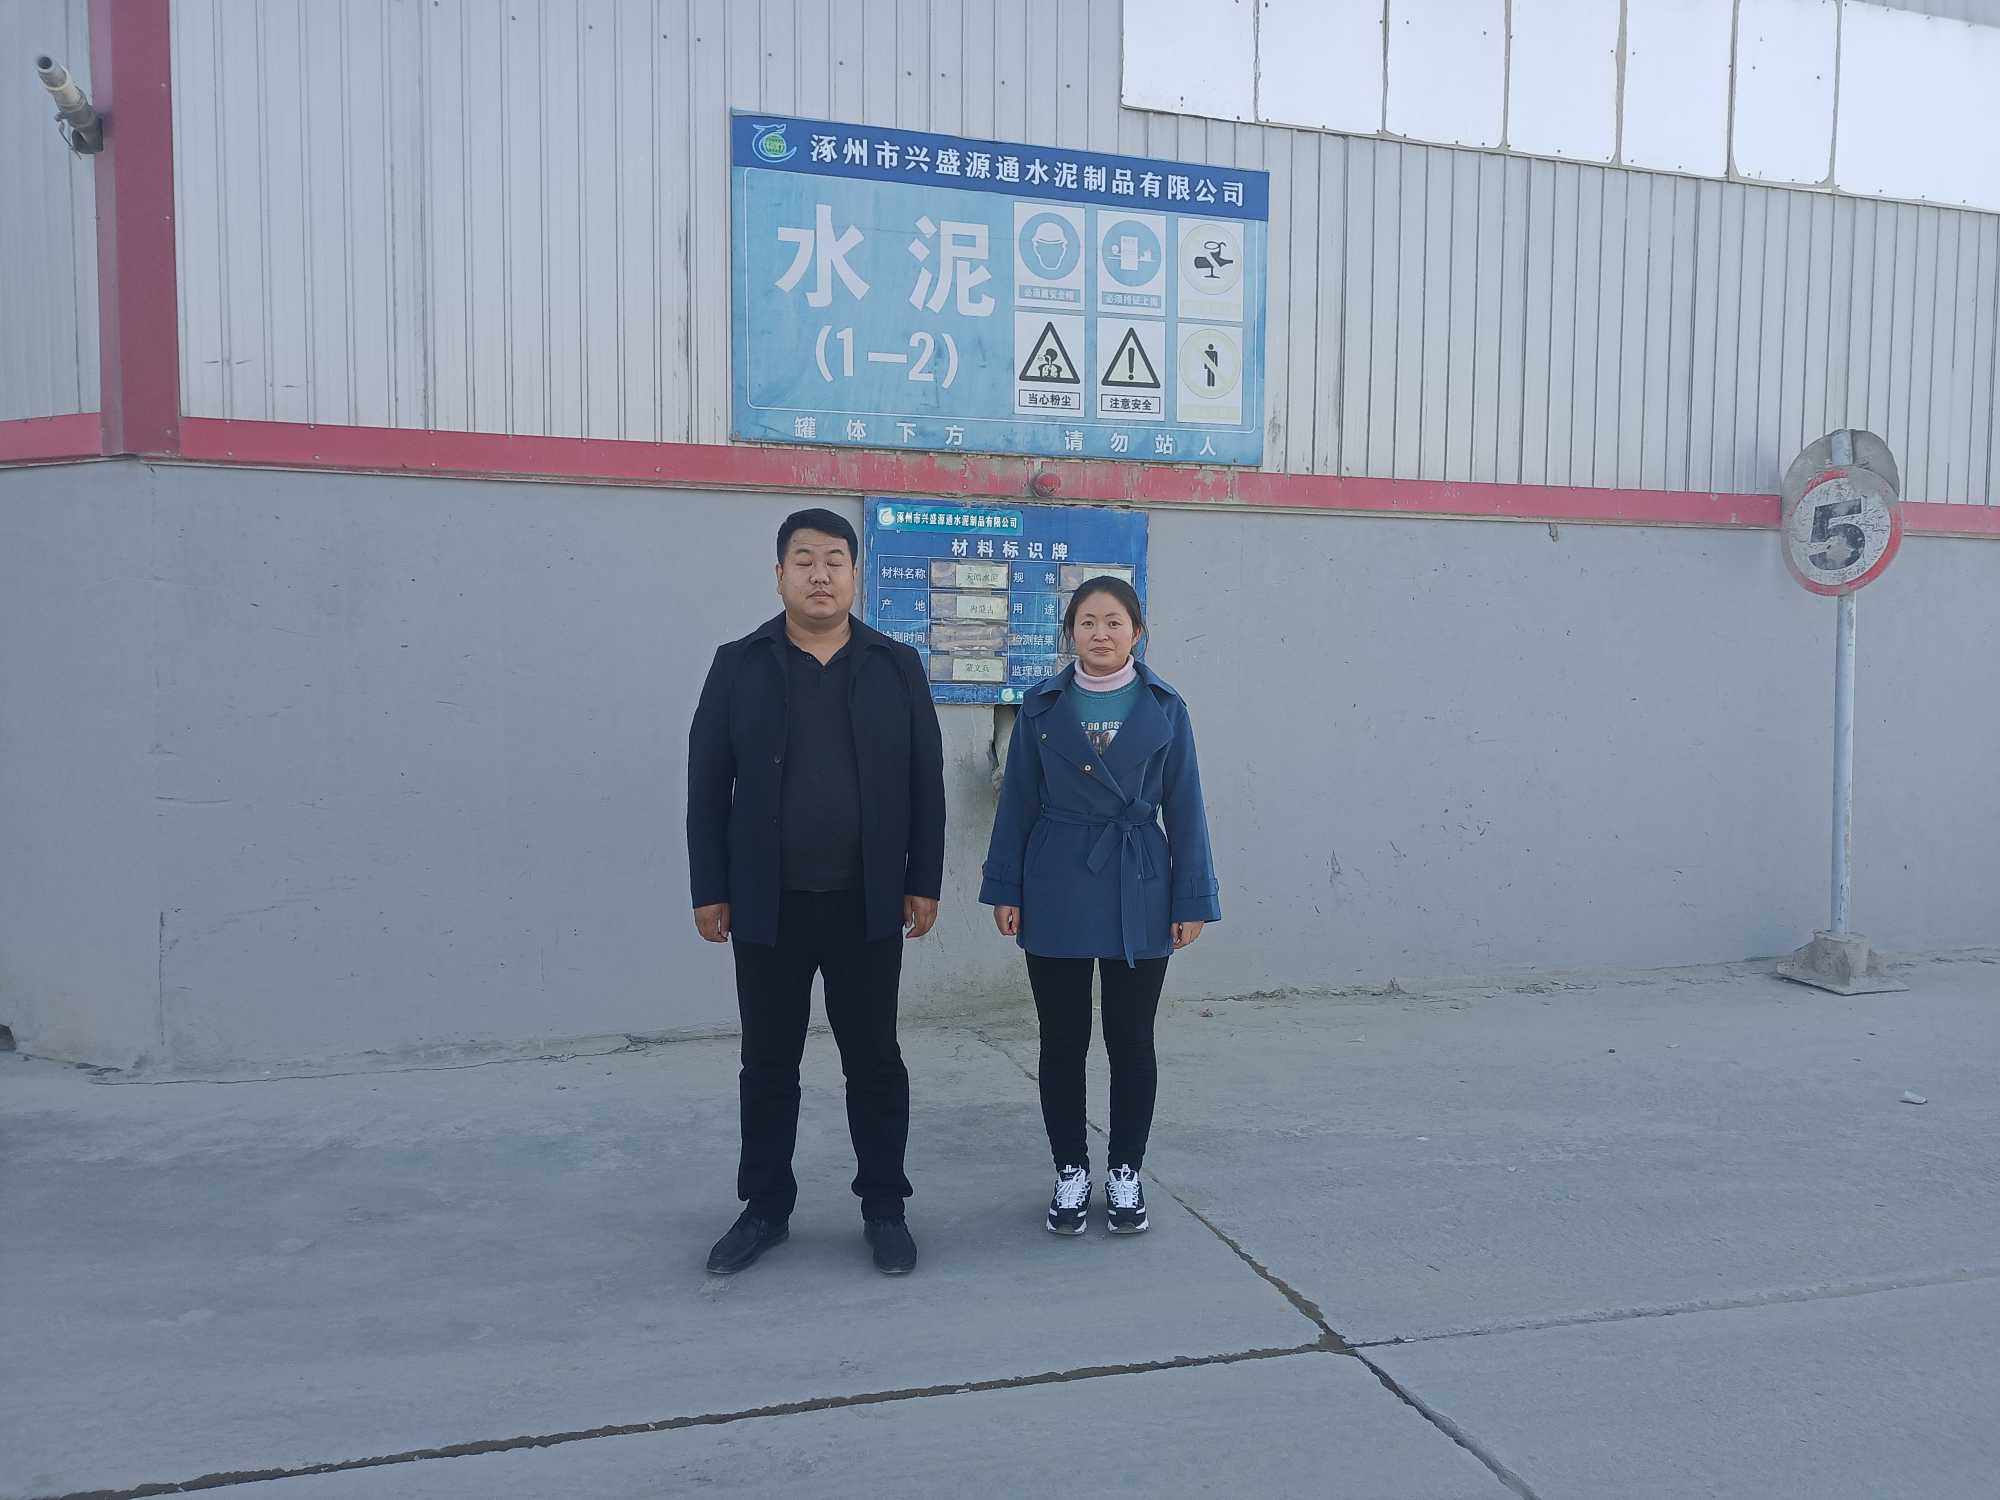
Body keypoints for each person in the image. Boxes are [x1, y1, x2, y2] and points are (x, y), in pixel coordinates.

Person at [687, 508, 945, 1277]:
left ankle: (885, 1208)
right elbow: (708, 787)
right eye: (804, 560)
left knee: (875, 1062)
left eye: (835, 560)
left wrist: (923, 881)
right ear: (779, 575)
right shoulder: (739, 665)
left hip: (868, 902)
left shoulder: (895, 666)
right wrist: (710, 888)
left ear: (856, 575)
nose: (820, 574)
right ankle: (765, 1208)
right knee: (768, 1064)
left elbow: (925, 786)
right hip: (767, 905)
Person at [979, 578, 1219, 1236]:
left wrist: (1191, 897)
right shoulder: (1041, 706)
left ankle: (1125, 1171)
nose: (1101, 633)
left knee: (1131, 1038)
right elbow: (1018, 802)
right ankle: (1070, 1170)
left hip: (1140, 880)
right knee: (1061, 1040)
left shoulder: (1166, 707)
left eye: (1114, 621)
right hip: (1055, 879)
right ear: (1070, 633)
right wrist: (1006, 888)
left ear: (1137, 632)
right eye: (1087, 622)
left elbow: (1186, 805)